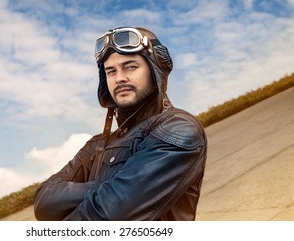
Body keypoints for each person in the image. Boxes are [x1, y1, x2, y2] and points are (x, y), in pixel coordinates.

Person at [33, 27, 207, 220]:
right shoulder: (96, 145)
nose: (119, 78)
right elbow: (43, 202)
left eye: (130, 66)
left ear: (155, 69)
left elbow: (108, 217)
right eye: (111, 71)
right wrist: (107, 187)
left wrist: (92, 194)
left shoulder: (177, 129)